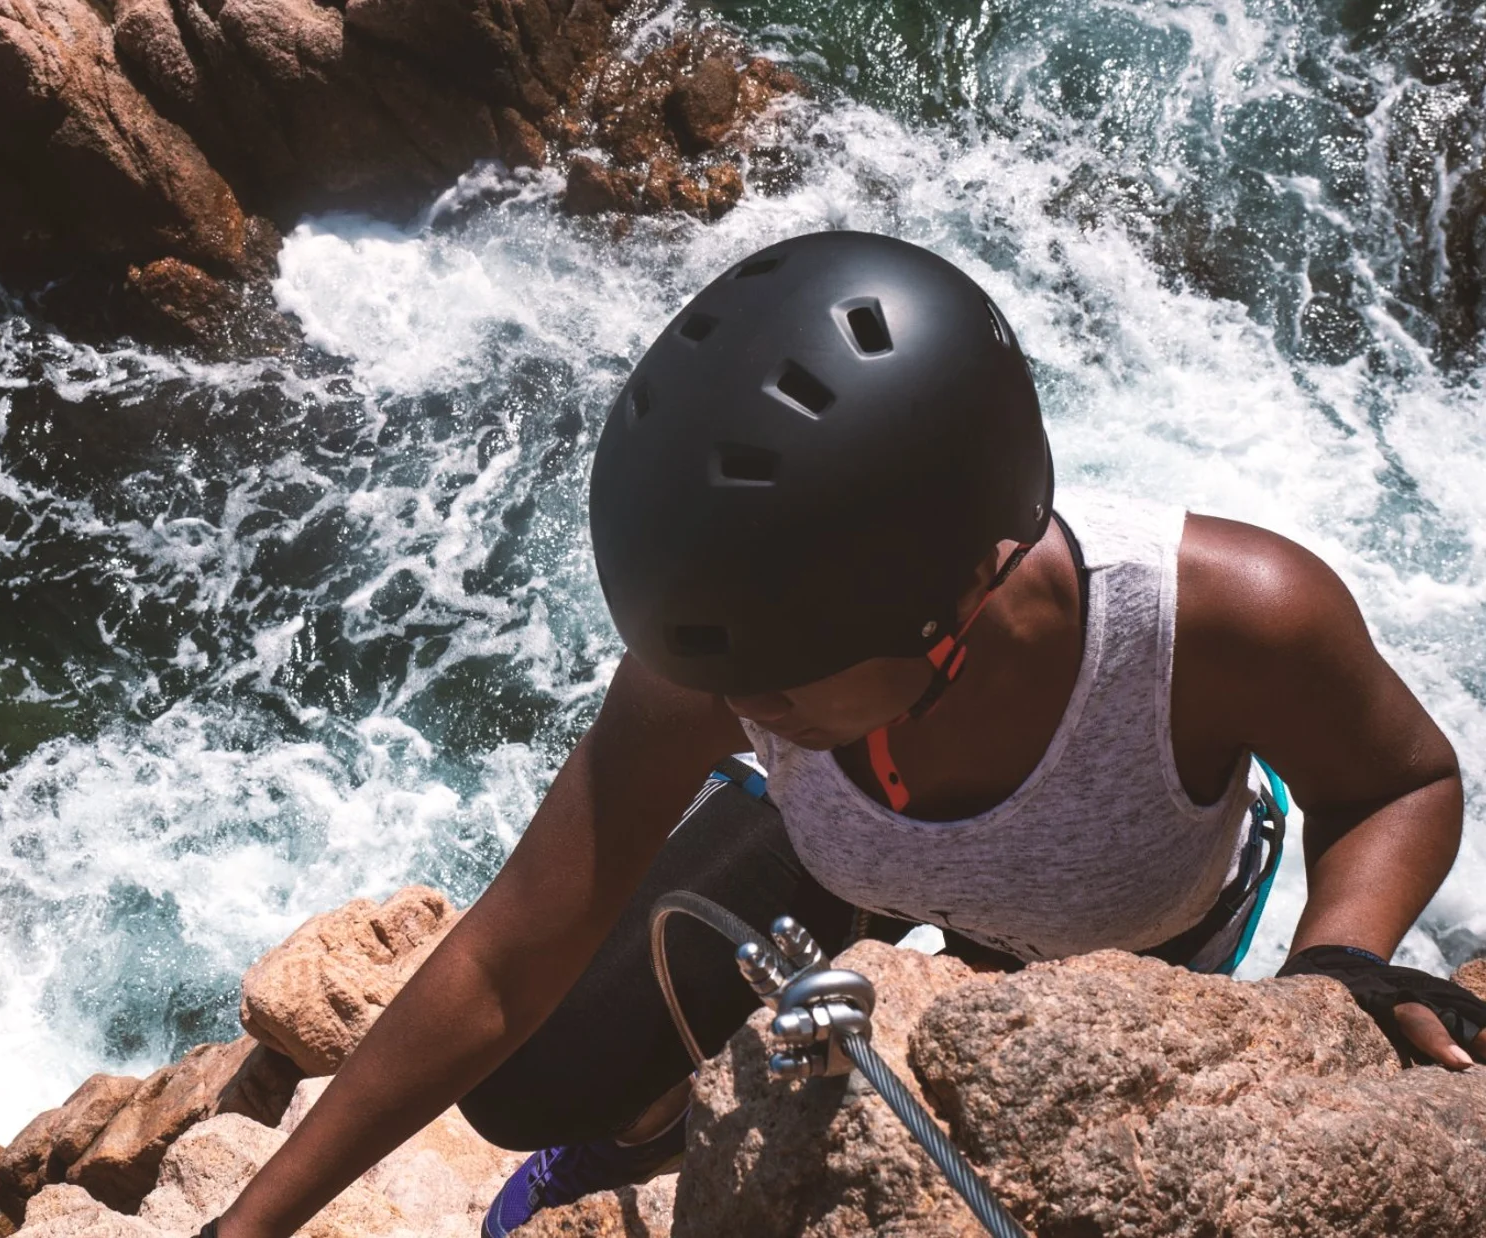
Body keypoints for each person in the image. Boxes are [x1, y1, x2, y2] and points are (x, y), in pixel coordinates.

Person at [198, 231, 1485, 1238]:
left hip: (1128, 928)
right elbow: (500, 962)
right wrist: (249, 1221)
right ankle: (669, 1121)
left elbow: (1402, 779)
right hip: (844, 861)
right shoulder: (748, 656)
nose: (750, 724)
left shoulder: (1226, 619)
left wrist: (1335, 971)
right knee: (537, 1079)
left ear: (962, 603)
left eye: (788, 697)